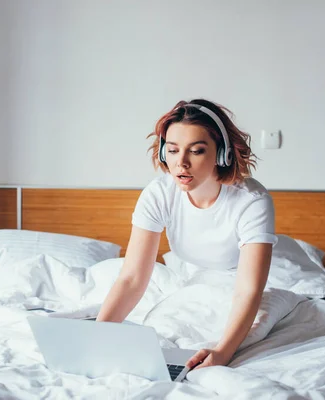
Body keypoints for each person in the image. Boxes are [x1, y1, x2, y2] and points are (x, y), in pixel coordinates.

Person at [96, 99, 277, 371]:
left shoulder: (251, 201)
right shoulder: (159, 193)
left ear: (222, 153)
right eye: (172, 150)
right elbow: (132, 277)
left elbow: (248, 291)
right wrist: (98, 336)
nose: (181, 163)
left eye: (196, 151)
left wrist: (222, 353)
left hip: (237, 282)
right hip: (188, 278)